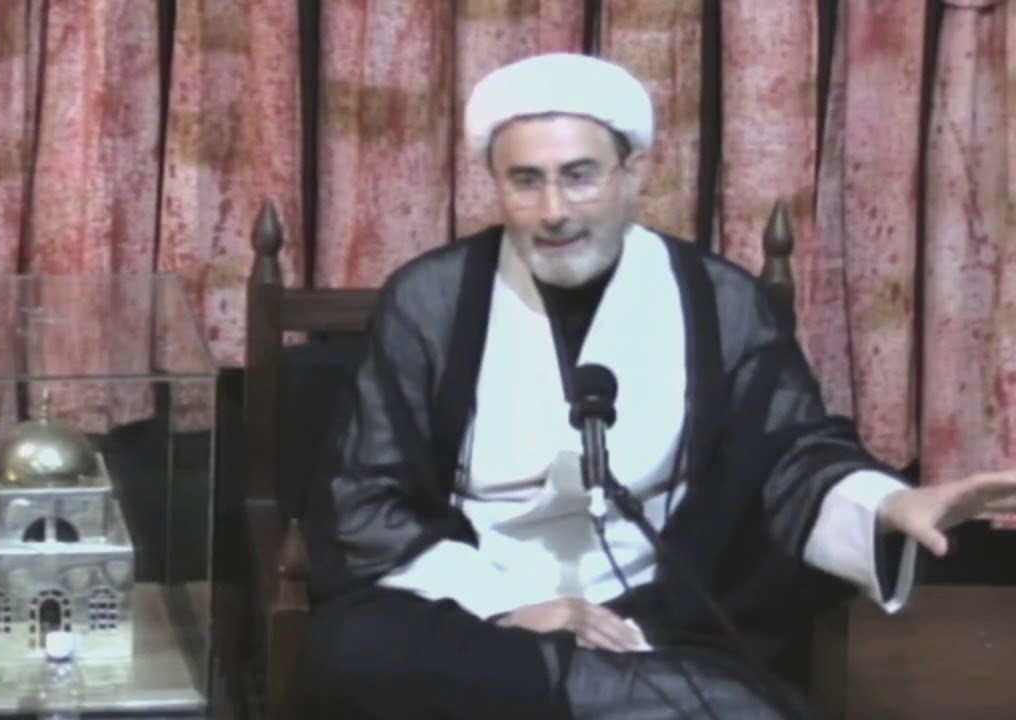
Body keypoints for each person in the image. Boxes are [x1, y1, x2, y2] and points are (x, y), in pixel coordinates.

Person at [299, 52, 1016, 720]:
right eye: (526, 180)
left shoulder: (717, 300)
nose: (554, 209)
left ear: (633, 172)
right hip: (481, 603)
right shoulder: (432, 299)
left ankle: (594, 688)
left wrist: (890, 504)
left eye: (580, 175)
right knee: (354, 649)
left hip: (653, 603)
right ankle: (656, 698)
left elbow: (790, 455)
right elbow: (365, 500)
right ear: (496, 183)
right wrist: (511, 607)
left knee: (717, 633)